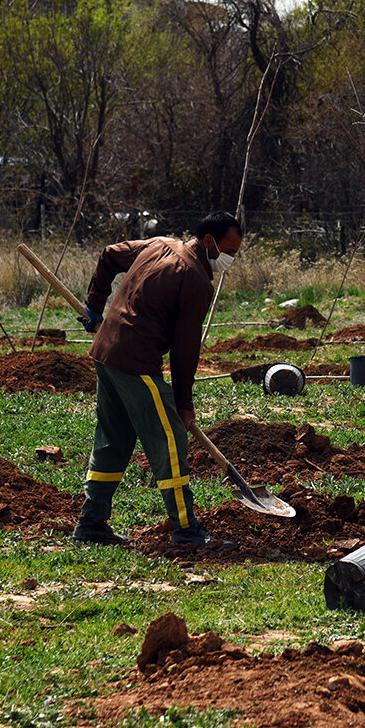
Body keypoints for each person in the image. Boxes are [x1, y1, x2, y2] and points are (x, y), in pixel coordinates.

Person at [71, 211, 243, 547]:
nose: (230, 260)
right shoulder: (195, 280)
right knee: (170, 441)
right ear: (209, 242)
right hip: (135, 364)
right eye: (229, 252)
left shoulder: (158, 245)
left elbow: (109, 255)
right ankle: (186, 529)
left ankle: (91, 523)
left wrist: (95, 307)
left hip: (105, 353)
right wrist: (183, 404)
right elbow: (184, 350)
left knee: (114, 440)